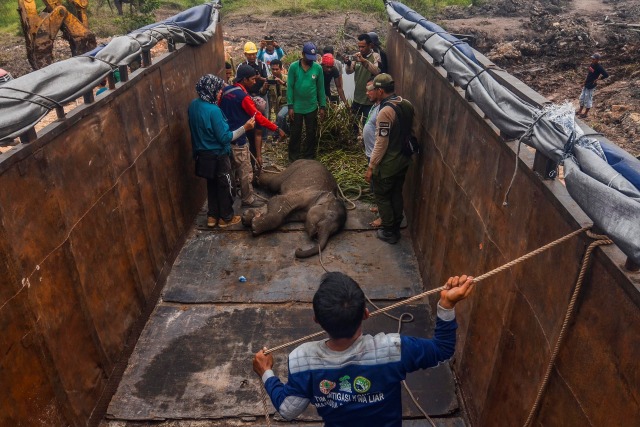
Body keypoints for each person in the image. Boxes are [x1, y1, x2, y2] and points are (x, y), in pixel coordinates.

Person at [253, 271, 475, 426]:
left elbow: (288, 409)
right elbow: (442, 350)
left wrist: (266, 373)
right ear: (366, 314)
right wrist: (446, 304)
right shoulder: (393, 349)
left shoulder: (302, 359)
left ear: (316, 320)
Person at [188, 75, 255, 228]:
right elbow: (225, 137)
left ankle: (212, 217)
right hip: (218, 155)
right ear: (210, 90)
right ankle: (226, 218)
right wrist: (245, 127)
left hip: (202, 155)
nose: (220, 93)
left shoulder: (193, 105)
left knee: (211, 185)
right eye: (218, 90)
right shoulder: (214, 110)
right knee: (226, 185)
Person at [220, 64, 286, 208]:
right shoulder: (243, 97)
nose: (255, 82)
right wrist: (277, 128)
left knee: (229, 170)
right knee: (245, 172)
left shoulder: (225, 91)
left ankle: (229, 197)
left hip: (225, 139)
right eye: (252, 79)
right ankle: (248, 199)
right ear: (244, 80)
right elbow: (259, 118)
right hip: (239, 140)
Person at [364, 74, 413, 244]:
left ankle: (389, 230)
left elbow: (381, 143)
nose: (372, 92)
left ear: (381, 90)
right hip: (403, 160)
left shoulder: (385, 112)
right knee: (396, 193)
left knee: (383, 196)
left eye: (374, 89)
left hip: (389, 163)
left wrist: (371, 166)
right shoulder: (406, 104)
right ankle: (397, 223)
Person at [287, 42, 327, 162]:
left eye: (312, 58)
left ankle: (309, 156)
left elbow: (321, 88)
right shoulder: (294, 67)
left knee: (311, 132)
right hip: (297, 107)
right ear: (303, 54)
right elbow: (290, 87)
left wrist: (322, 106)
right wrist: (290, 106)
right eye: (308, 57)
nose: (310, 60)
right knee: (295, 132)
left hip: (311, 106)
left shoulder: (317, 68)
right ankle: (294, 157)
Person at [345, 33, 381, 132]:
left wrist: (364, 61)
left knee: (367, 127)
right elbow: (349, 71)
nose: (361, 49)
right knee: (352, 124)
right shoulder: (357, 56)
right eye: (359, 46)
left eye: (363, 47)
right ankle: (352, 142)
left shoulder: (375, 56)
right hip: (357, 98)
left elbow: (377, 71)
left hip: (369, 100)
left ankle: (366, 145)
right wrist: (348, 63)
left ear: (370, 45)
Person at [362, 80, 382, 228]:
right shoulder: (374, 106)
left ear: (379, 91)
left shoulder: (383, 109)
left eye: (370, 90)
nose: (367, 93)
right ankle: (380, 206)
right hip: (370, 151)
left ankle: (383, 216)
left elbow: (383, 138)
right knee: (375, 184)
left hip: (377, 154)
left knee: (381, 185)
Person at [576, 53, 609, 118]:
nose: (592, 60)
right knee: (582, 98)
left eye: (593, 59)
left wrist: (598, 79)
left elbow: (606, 75)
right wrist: (584, 81)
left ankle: (585, 113)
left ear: (597, 60)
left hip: (591, 85)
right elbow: (589, 74)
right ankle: (580, 111)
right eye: (592, 58)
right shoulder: (592, 64)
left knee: (588, 99)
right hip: (586, 84)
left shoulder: (599, 67)